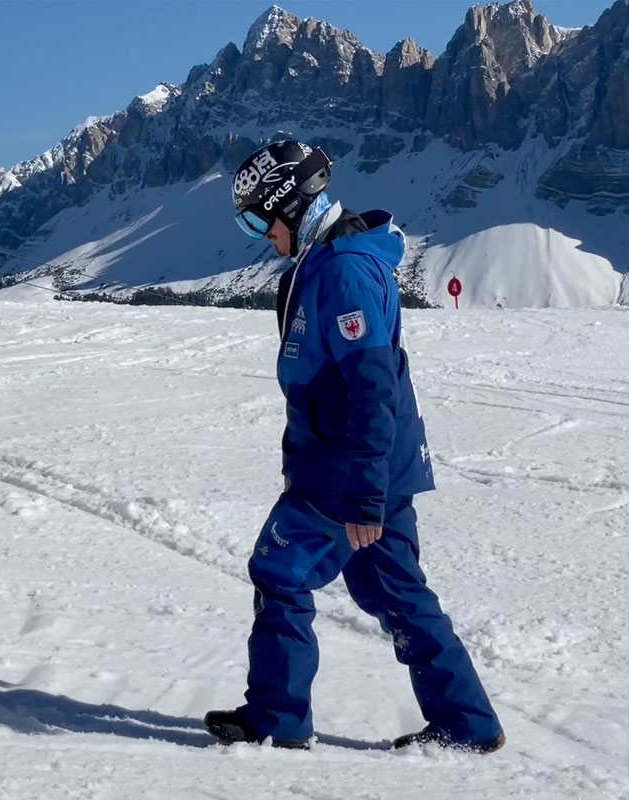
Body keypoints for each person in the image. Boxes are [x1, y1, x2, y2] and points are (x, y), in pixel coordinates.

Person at [204, 140, 505, 753]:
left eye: (260, 219)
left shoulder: (342, 270)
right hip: (360, 468)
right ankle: (468, 725)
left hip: (350, 473)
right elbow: (313, 382)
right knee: (393, 591)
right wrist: (301, 464)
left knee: (279, 570)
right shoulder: (324, 263)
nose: (261, 235)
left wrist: (363, 495)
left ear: (291, 205)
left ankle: (278, 718)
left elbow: (371, 389)